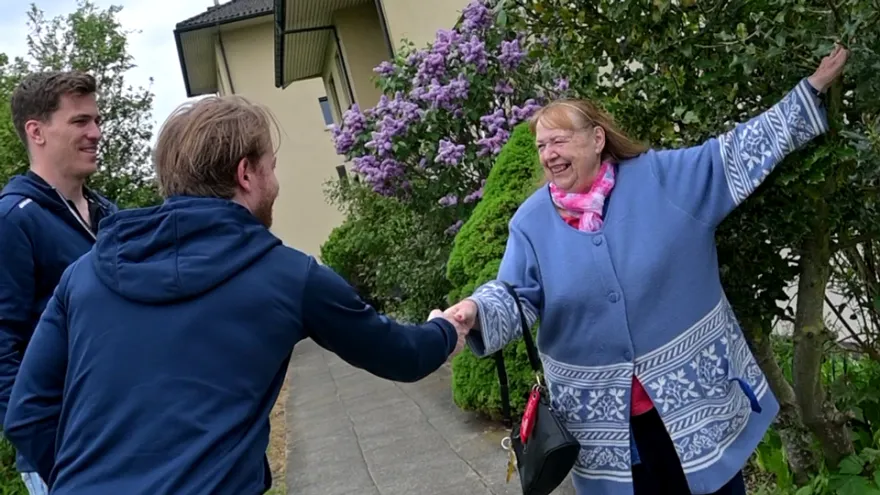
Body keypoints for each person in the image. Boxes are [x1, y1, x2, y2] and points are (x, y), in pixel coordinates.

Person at [2, 94, 469, 495]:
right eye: (272, 167)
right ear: (246, 174)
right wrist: (448, 328)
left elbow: (27, 412)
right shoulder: (289, 275)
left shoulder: (84, 275)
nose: (277, 183)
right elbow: (402, 355)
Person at [442, 45, 850, 495]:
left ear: (597, 139)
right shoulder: (530, 221)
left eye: (559, 141)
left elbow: (734, 154)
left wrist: (808, 91)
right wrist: (473, 311)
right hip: (604, 427)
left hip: (691, 404)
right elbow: (515, 295)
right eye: (541, 145)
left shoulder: (663, 178)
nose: (548, 154)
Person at [0, 70, 117, 495]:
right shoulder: (13, 220)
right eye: (80, 122)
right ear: (37, 131)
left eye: (96, 120)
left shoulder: (108, 216)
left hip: (122, 435)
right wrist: (48, 448)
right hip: (65, 455)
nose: (96, 133)